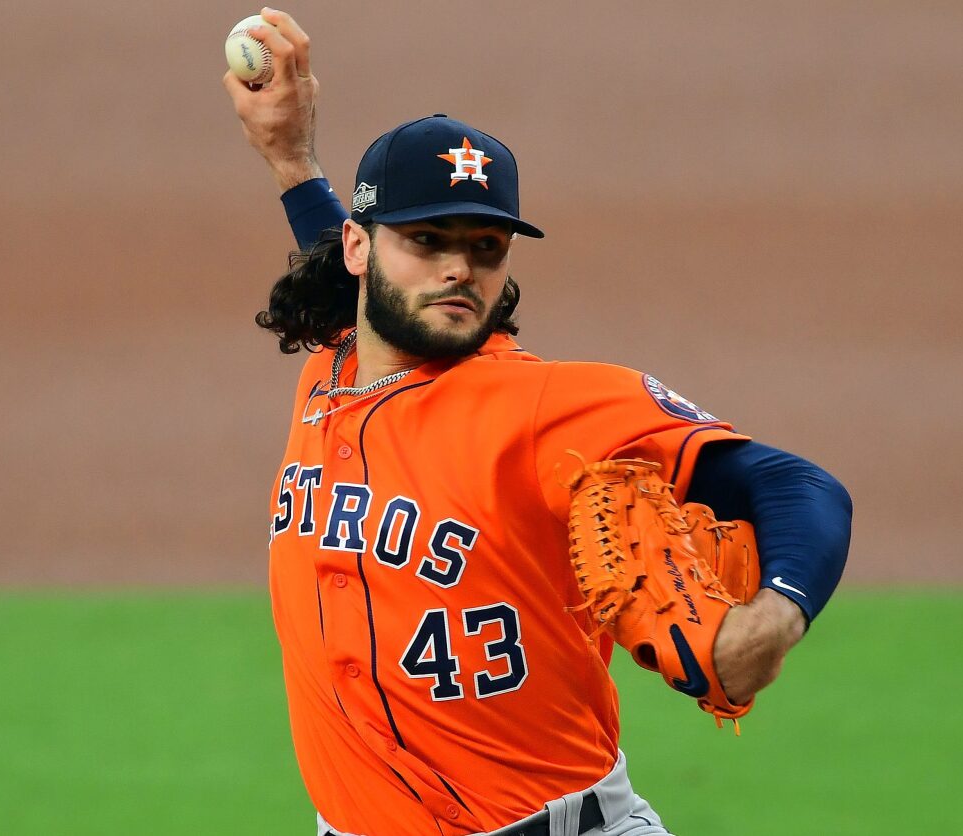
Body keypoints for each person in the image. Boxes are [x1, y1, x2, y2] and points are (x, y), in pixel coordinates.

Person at [224, 10, 853, 836]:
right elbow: (362, 296)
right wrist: (290, 157)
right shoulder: (336, 370)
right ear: (359, 249)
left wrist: (770, 621)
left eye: (487, 247)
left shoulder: (549, 408)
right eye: (427, 238)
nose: (459, 267)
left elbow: (798, 485)